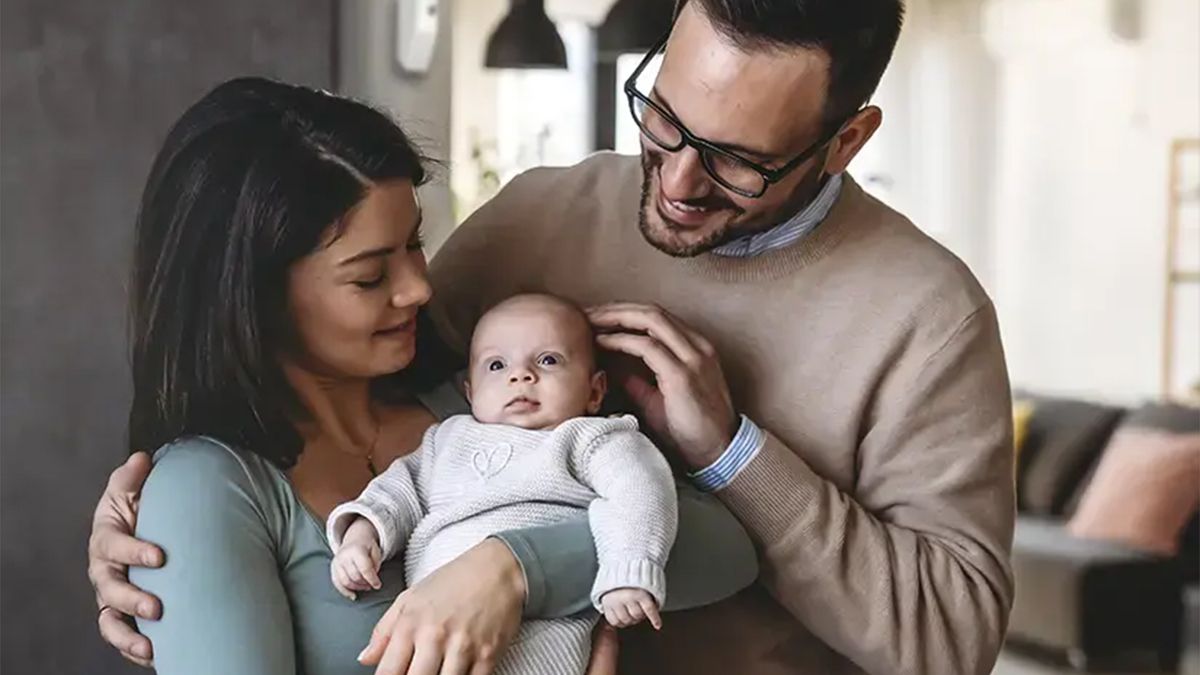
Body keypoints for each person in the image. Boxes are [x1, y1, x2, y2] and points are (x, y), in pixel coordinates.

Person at [90, 0, 1017, 672]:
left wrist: (728, 455)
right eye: (664, 117)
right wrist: (160, 515)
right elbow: (287, 393)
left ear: (847, 139)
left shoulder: (927, 318)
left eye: (738, 162)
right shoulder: (539, 218)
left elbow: (948, 635)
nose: (680, 181)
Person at [90, 76, 757, 675]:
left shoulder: (469, 400)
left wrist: (508, 570)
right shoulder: (207, 488)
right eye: (370, 275)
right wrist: (580, 554)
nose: (416, 288)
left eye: (415, 242)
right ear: (254, 295)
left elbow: (723, 546)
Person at [329, 294, 678, 674]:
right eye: (497, 365)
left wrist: (629, 569)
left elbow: (640, 491)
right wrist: (361, 536)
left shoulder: (591, 438)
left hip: (543, 636)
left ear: (594, 391)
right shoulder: (446, 441)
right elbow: (398, 491)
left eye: (548, 360)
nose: (521, 375)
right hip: (436, 637)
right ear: (471, 392)